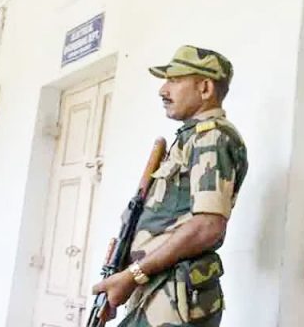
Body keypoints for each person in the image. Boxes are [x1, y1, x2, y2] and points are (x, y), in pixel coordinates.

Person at [92, 45, 248, 327]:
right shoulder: (190, 138)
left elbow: (207, 227)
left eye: (175, 80)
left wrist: (133, 275)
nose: (163, 90)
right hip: (160, 288)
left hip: (174, 294)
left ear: (204, 87)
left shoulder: (211, 137)